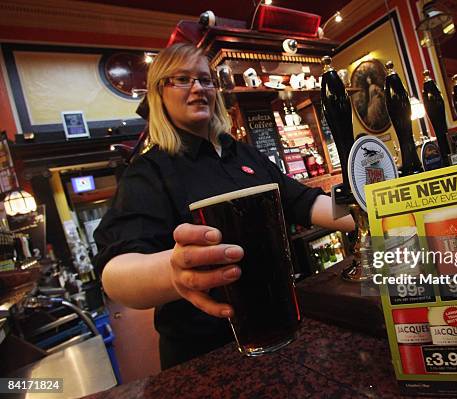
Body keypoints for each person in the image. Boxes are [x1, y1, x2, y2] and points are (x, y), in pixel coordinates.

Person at [93, 43, 355, 369]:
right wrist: (175, 274)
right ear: (160, 92)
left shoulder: (243, 154)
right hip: (206, 357)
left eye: (204, 80)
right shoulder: (150, 171)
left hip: (279, 330)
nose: (198, 88)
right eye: (183, 79)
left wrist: (370, 211)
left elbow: (306, 202)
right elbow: (115, 274)